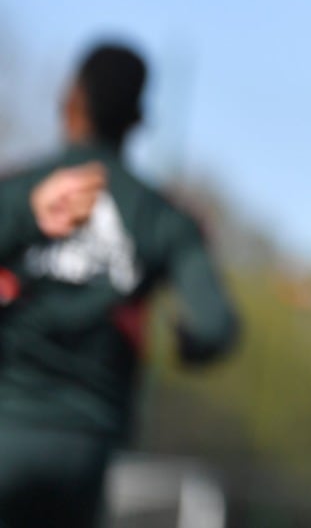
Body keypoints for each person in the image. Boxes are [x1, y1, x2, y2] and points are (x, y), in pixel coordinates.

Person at [0, 41, 239, 527]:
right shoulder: (163, 217)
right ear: (136, 121)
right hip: (91, 445)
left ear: (71, 101)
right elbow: (216, 326)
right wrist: (189, 345)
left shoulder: (19, 190)